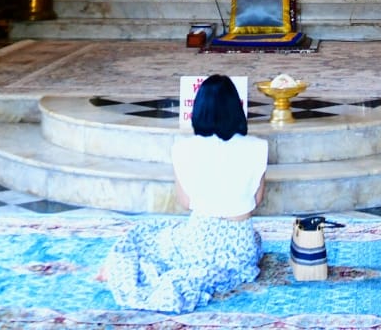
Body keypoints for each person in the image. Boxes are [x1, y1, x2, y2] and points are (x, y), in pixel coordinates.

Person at [102, 75, 268, 313]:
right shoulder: (258, 147)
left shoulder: (183, 148)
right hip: (241, 249)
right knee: (256, 239)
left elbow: (185, 202)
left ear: (198, 109)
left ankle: (115, 269)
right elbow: (256, 201)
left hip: (197, 243)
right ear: (237, 109)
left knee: (140, 236)